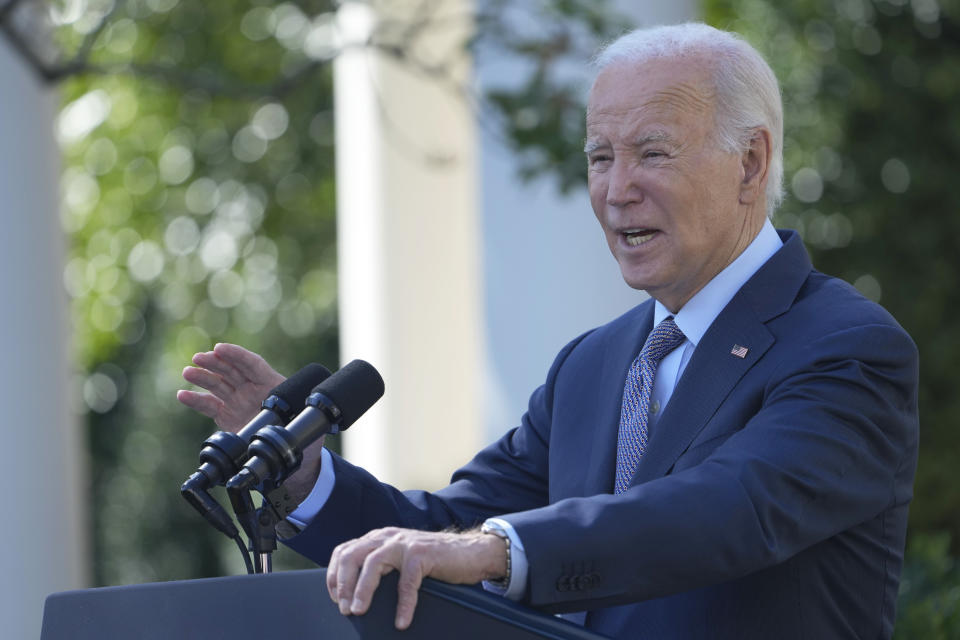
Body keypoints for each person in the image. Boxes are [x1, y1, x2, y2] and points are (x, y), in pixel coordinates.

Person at [178, 23, 918, 639]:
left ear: (750, 162)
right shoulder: (592, 367)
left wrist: (495, 548)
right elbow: (447, 529)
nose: (616, 188)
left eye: (652, 152)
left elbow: (727, 510)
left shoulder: (847, 348)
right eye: (600, 157)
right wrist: (304, 474)